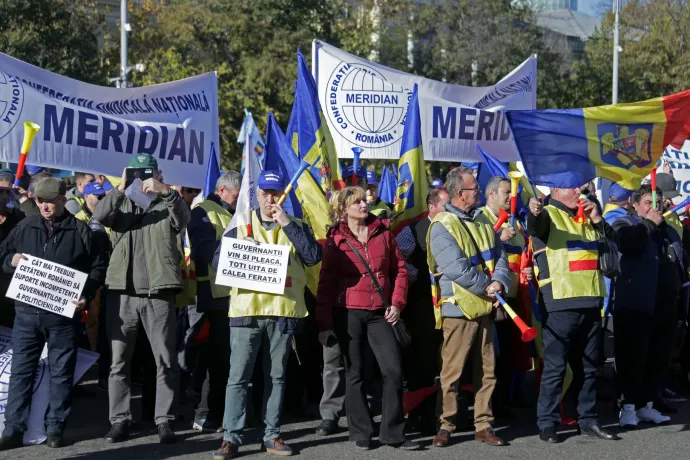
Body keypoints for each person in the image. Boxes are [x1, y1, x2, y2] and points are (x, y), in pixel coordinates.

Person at [212, 170, 322, 459]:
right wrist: (237, 248)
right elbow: (215, 262)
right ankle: (230, 437)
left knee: (276, 377)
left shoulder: (296, 224)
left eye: (276, 193)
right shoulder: (240, 225)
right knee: (237, 377)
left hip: (282, 312)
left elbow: (312, 256)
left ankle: (272, 434)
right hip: (246, 312)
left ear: (284, 194)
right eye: (265, 193)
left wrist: (286, 223)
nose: (270, 198)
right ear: (256, 194)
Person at [0, 178, 107, 450]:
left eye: (50, 201)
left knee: (61, 373)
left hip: (62, 317)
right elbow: (2, 255)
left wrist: (85, 294)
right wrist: (9, 262)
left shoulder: (81, 231)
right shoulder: (25, 226)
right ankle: (13, 429)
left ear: (63, 200)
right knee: (21, 373)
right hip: (25, 314)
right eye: (39, 200)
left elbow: (97, 268)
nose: (45, 206)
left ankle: (56, 428)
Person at [93, 154, 190, 445]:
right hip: (122, 292)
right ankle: (119, 420)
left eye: (149, 173)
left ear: (159, 174)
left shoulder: (167, 202)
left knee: (165, 360)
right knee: (119, 362)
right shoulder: (120, 202)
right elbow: (98, 218)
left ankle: (164, 420)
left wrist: (167, 191)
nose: (143, 178)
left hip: (158, 292)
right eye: (138, 173)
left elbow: (183, 219)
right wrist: (120, 188)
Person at [315, 186, 418, 451]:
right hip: (347, 313)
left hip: (381, 313)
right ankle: (361, 430)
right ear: (343, 209)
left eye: (365, 200)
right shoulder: (335, 240)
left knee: (393, 371)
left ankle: (392, 432)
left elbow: (401, 271)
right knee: (355, 373)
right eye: (357, 202)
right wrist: (324, 326)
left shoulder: (383, 232)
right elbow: (324, 287)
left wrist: (397, 303)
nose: (364, 205)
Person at [527, 186, 619, 443]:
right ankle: (547, 423)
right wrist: (534, 212)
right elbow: (536, 225)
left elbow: (612, 246)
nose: (579, 190)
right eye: (572, 186)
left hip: (590, 300)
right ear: (556, 190)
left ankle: (588, 420)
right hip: (560, 302)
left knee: (589, 368)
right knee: (555, 368)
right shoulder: (548, 213)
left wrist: (598, 220)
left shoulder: (587, 215)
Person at [427, 167, 510, 448]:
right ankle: (446, 424)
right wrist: (488, 286)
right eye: (474, 187)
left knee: (487, 371)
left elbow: (499, 256)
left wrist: (499, 280)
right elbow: (455, 268)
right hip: (459, 309)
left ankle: (483, 424)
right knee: (452, 372)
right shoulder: (442, 225)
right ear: (460, 193)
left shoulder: (484, 221)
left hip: (484, 308)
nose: (478, 190)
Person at [612, 184, 682, 428]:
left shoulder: (669, 231)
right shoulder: (625, 224)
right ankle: (628, 407)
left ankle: (646, 405)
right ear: (635, 204)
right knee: (633, 359)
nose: (655, 208)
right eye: (648, 203)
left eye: (658, 203)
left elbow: (678, 264)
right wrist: (649, 224)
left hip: (664, 307)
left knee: (658, 358)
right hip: (635, 305)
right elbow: (628, 244)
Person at [186, 170, 240, 432]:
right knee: (216, 359)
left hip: (235, 295)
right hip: (217, 296)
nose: (239, 199)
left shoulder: (234, 212)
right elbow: (202, 251)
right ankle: (206, 413)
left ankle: (215, 410)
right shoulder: (203, 212)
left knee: (224, 358)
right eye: (236, 194)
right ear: (222, 190)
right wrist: (238, 245)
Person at [481, 176, 533, 417]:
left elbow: (524, 255)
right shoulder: (480, 219)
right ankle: (491, 405)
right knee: (492, 355)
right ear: (491, 194)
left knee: (512, 352)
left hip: (514, 297)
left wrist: (529, 270)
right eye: (506, 192)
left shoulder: (517, 223)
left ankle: (509, 397)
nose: (511, 198)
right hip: (491, 298)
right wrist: (497, 239)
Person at [402, 186, 450, 433]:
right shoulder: (413, 231)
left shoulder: (454, 226)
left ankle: (441, 413)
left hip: (451, 303)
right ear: (432, 207)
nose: (449, 210)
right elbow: (398, 260)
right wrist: (418, 275)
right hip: (422, 306)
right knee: (421, 362)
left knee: (443, 361)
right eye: (445, 205)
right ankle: (416, 413)